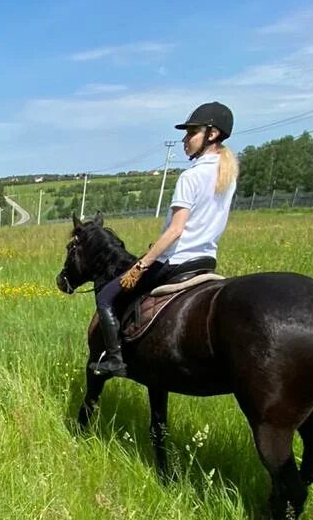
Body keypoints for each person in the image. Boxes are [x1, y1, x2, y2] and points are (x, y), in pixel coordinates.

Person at [91, 101, 238, 378]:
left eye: (191, 132)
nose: (185, 139)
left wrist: (141, 265)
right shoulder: (227, 175)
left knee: (108, 297)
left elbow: (175, 231)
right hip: (206, 260)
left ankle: (114, 360)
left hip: (177, 260)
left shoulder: (191, 176)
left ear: (212, 134)